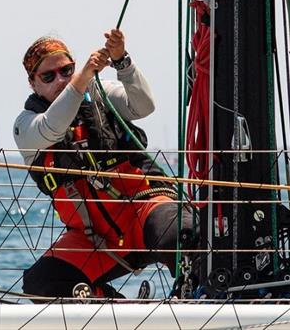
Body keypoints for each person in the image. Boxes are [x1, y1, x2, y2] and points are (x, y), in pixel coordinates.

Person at [14, 30, 182, 299]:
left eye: (67, 70)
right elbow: (52, 127)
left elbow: (143, 106)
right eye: (48, 76)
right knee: (41, 283)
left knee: (182, 233)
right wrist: (80, 80)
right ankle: (122, 313)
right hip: (95, 238)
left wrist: (121, 61)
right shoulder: (25, 126)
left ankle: (193, 295)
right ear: (33, 83)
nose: (60, 79)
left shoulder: (101, 92)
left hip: (146, 208)